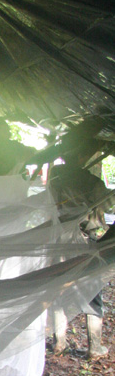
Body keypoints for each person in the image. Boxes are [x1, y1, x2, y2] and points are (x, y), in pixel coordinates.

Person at [47, 138, 115, 358]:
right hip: (83, 240)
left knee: (58, 286)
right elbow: (107, 204)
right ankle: (94, 346)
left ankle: (59, 342)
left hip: (58, 240)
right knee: (91, 288)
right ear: (81, 157)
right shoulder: (91, 183)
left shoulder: (55, 178)